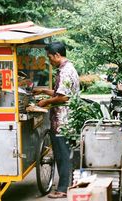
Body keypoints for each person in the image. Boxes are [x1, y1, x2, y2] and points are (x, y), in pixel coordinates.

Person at [34, 42, 80, 199]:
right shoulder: (68, 68)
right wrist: (43, 90)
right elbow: (59, 92)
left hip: (63, 121)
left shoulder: (65, 71)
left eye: (50, 57)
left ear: (57, 55)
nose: (49, 61)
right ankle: (67, 185)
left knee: (62, 155)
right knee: (64, 154)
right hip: (65, 119)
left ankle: (63, 189)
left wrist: (45, 102)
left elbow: (64, 97)